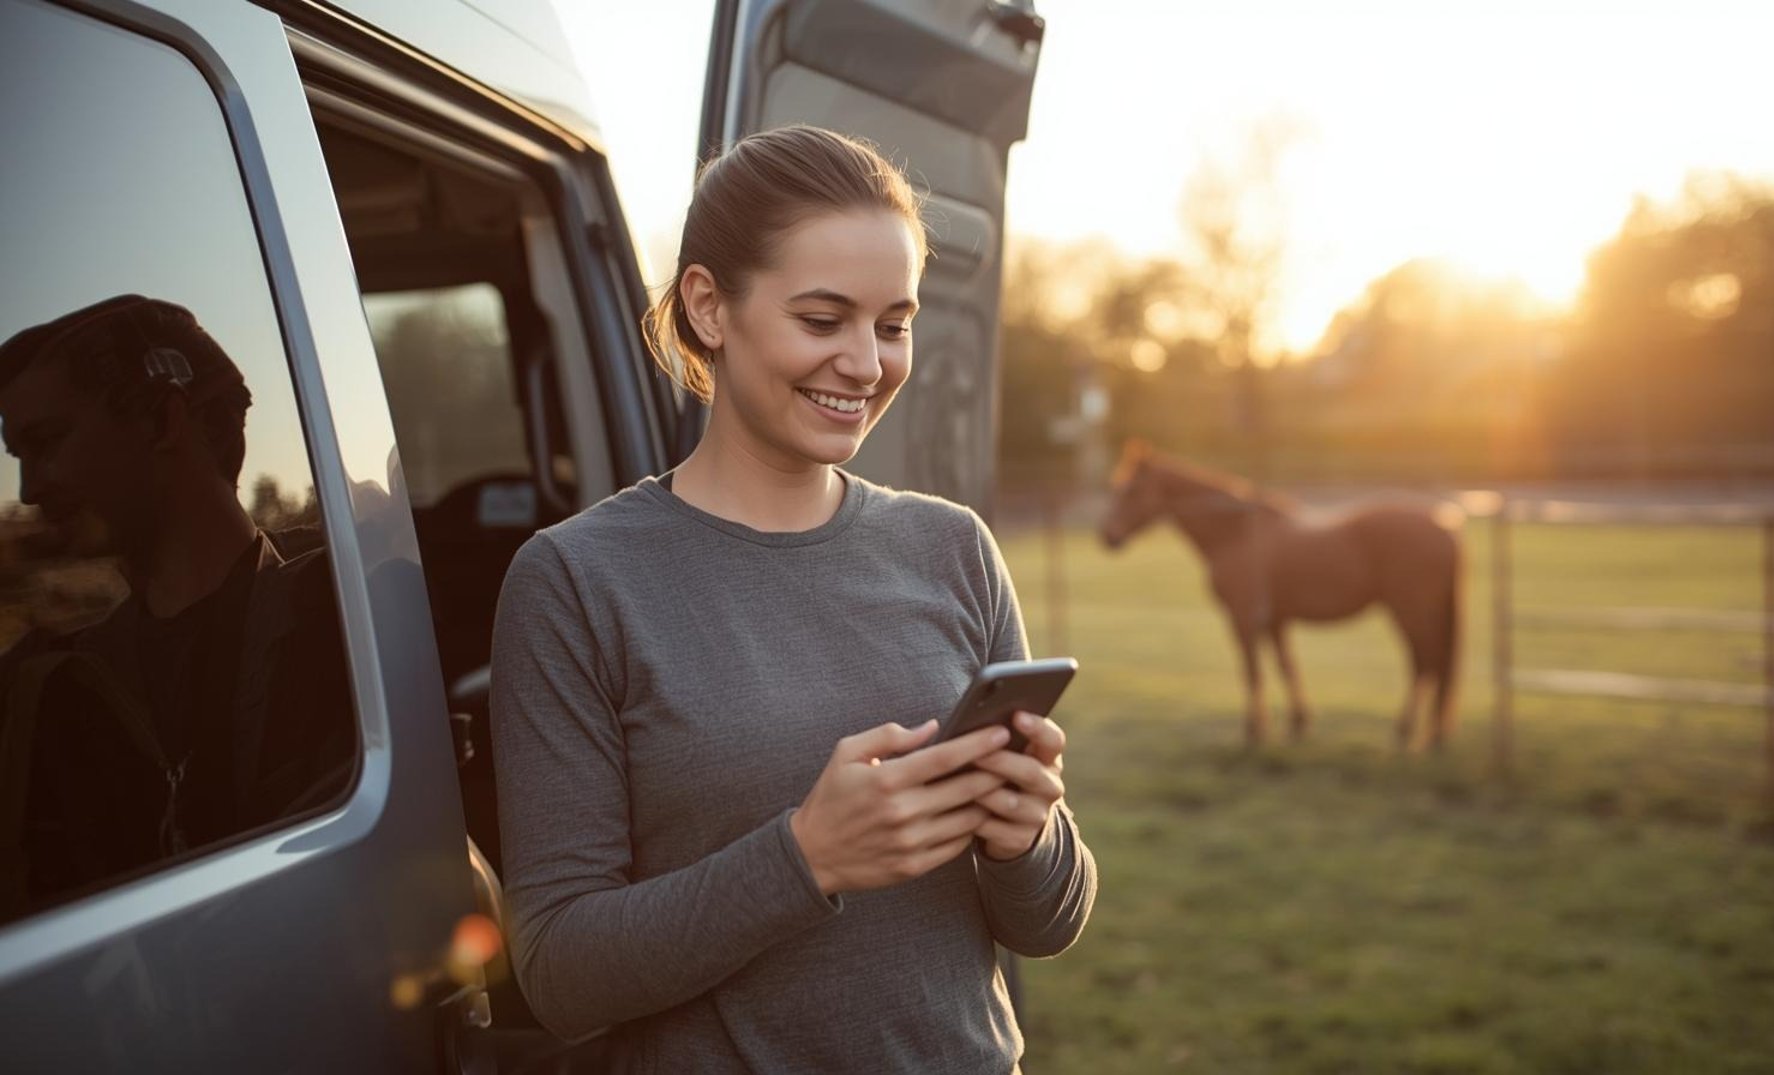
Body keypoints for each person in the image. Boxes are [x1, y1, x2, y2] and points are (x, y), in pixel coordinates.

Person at [490, 125, 1096, 1071]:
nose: (866, 362)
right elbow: (561, 975)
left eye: (893, 323)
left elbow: (1049, 923)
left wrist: (1028, 837)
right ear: (709, 306)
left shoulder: (953, 548)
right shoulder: (575, 581)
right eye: (823, 320)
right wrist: (808, 856)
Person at [0, 296, 354, 919]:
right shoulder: (46, 685)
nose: (29, 489)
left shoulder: (344, 624)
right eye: (18, 459)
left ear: (164, 421)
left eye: (48, 442)